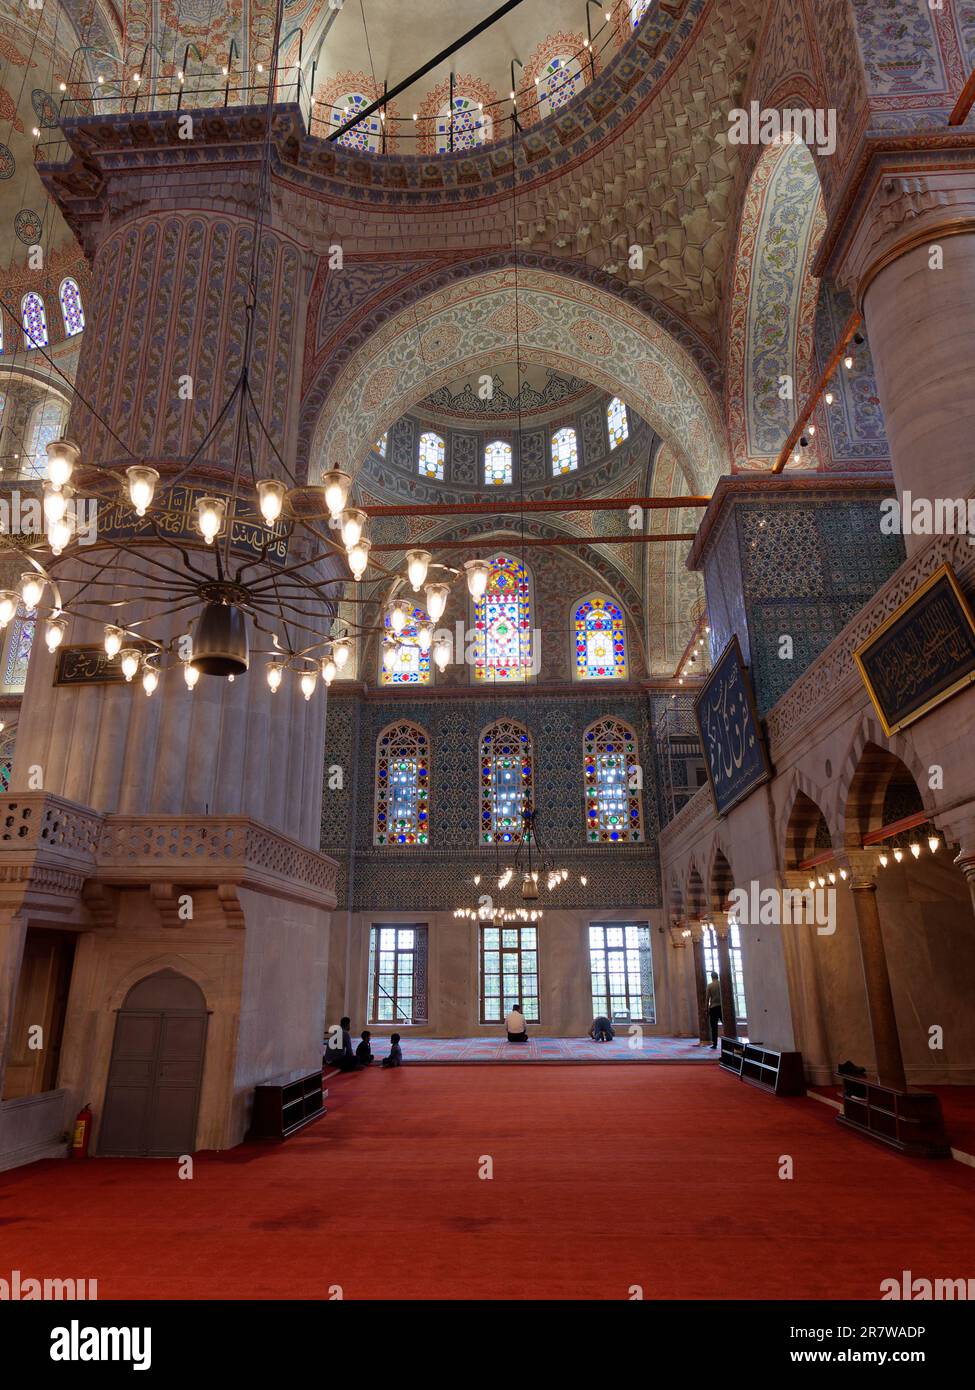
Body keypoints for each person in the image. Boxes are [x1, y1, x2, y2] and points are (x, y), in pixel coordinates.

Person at [705, 972, 722, 1049]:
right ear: (717, 976)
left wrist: (706, 1009)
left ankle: (715, 1044)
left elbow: (707, 999)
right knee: (727, 1025)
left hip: (713, 1007)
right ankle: (730, 1042)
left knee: (714, 1027)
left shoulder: (710, 985)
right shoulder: (721, 984)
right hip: (722, 1007)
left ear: (711, 977)